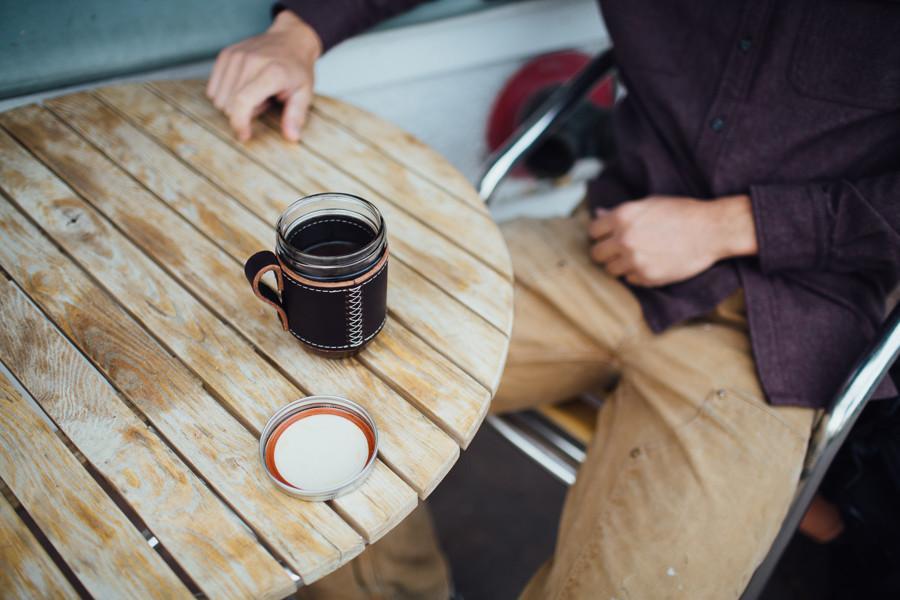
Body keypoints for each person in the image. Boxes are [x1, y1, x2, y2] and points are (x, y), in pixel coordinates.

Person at [209, 1, 900, 598]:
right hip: (606, 243)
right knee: (312, 403)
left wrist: (734, 225)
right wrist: (302, 29)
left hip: (784, 322)